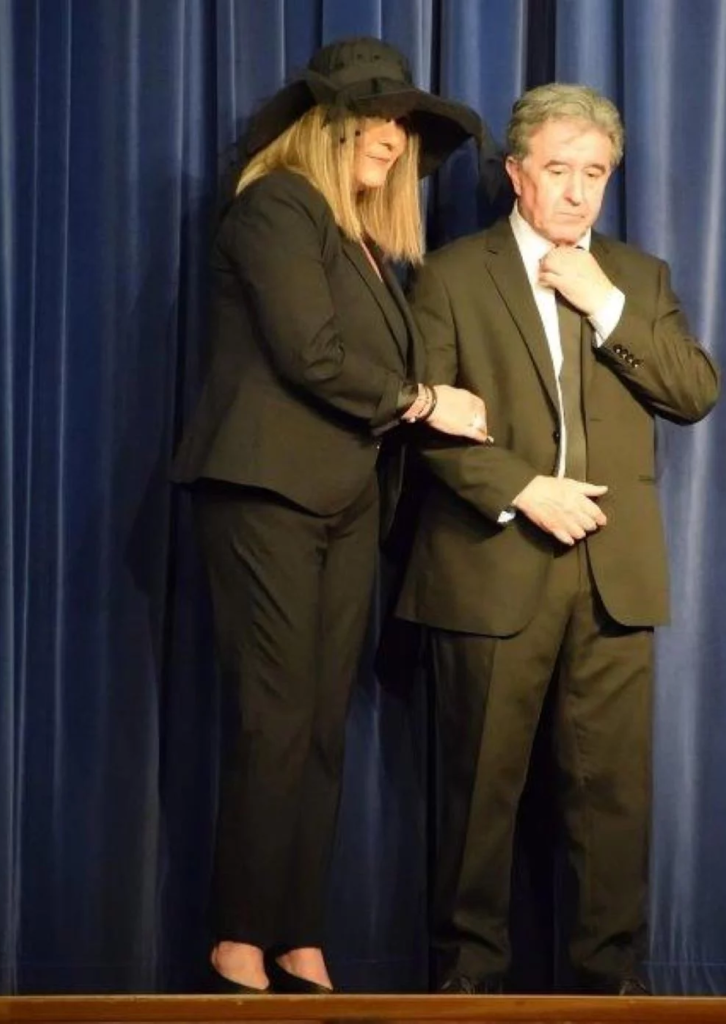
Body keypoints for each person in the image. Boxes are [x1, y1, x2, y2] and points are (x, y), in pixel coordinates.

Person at [172, 37, 490, 995]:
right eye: (373, 115)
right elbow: (308, 352)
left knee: (319, 725)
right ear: (324, 123)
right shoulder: (276, 205)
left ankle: (295, 931)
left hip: (345, 502)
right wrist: (426, 401)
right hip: (266, 493)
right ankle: (238, 934)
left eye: (401, 121)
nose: (391, 135)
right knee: (275, 718)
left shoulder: (364, 244)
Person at [396, 83, 720, 995]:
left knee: (610, 799)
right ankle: (466, 983)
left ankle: (610, 985)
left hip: (613, 576)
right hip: (489, 566)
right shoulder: (451, 275)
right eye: (558, 170)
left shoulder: (636, 278)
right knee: (477, 794)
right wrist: (523, 490)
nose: (577, 192)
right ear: (515, 174)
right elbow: (421, 420)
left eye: (595, 174)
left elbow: (693, 393)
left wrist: (604, 305)